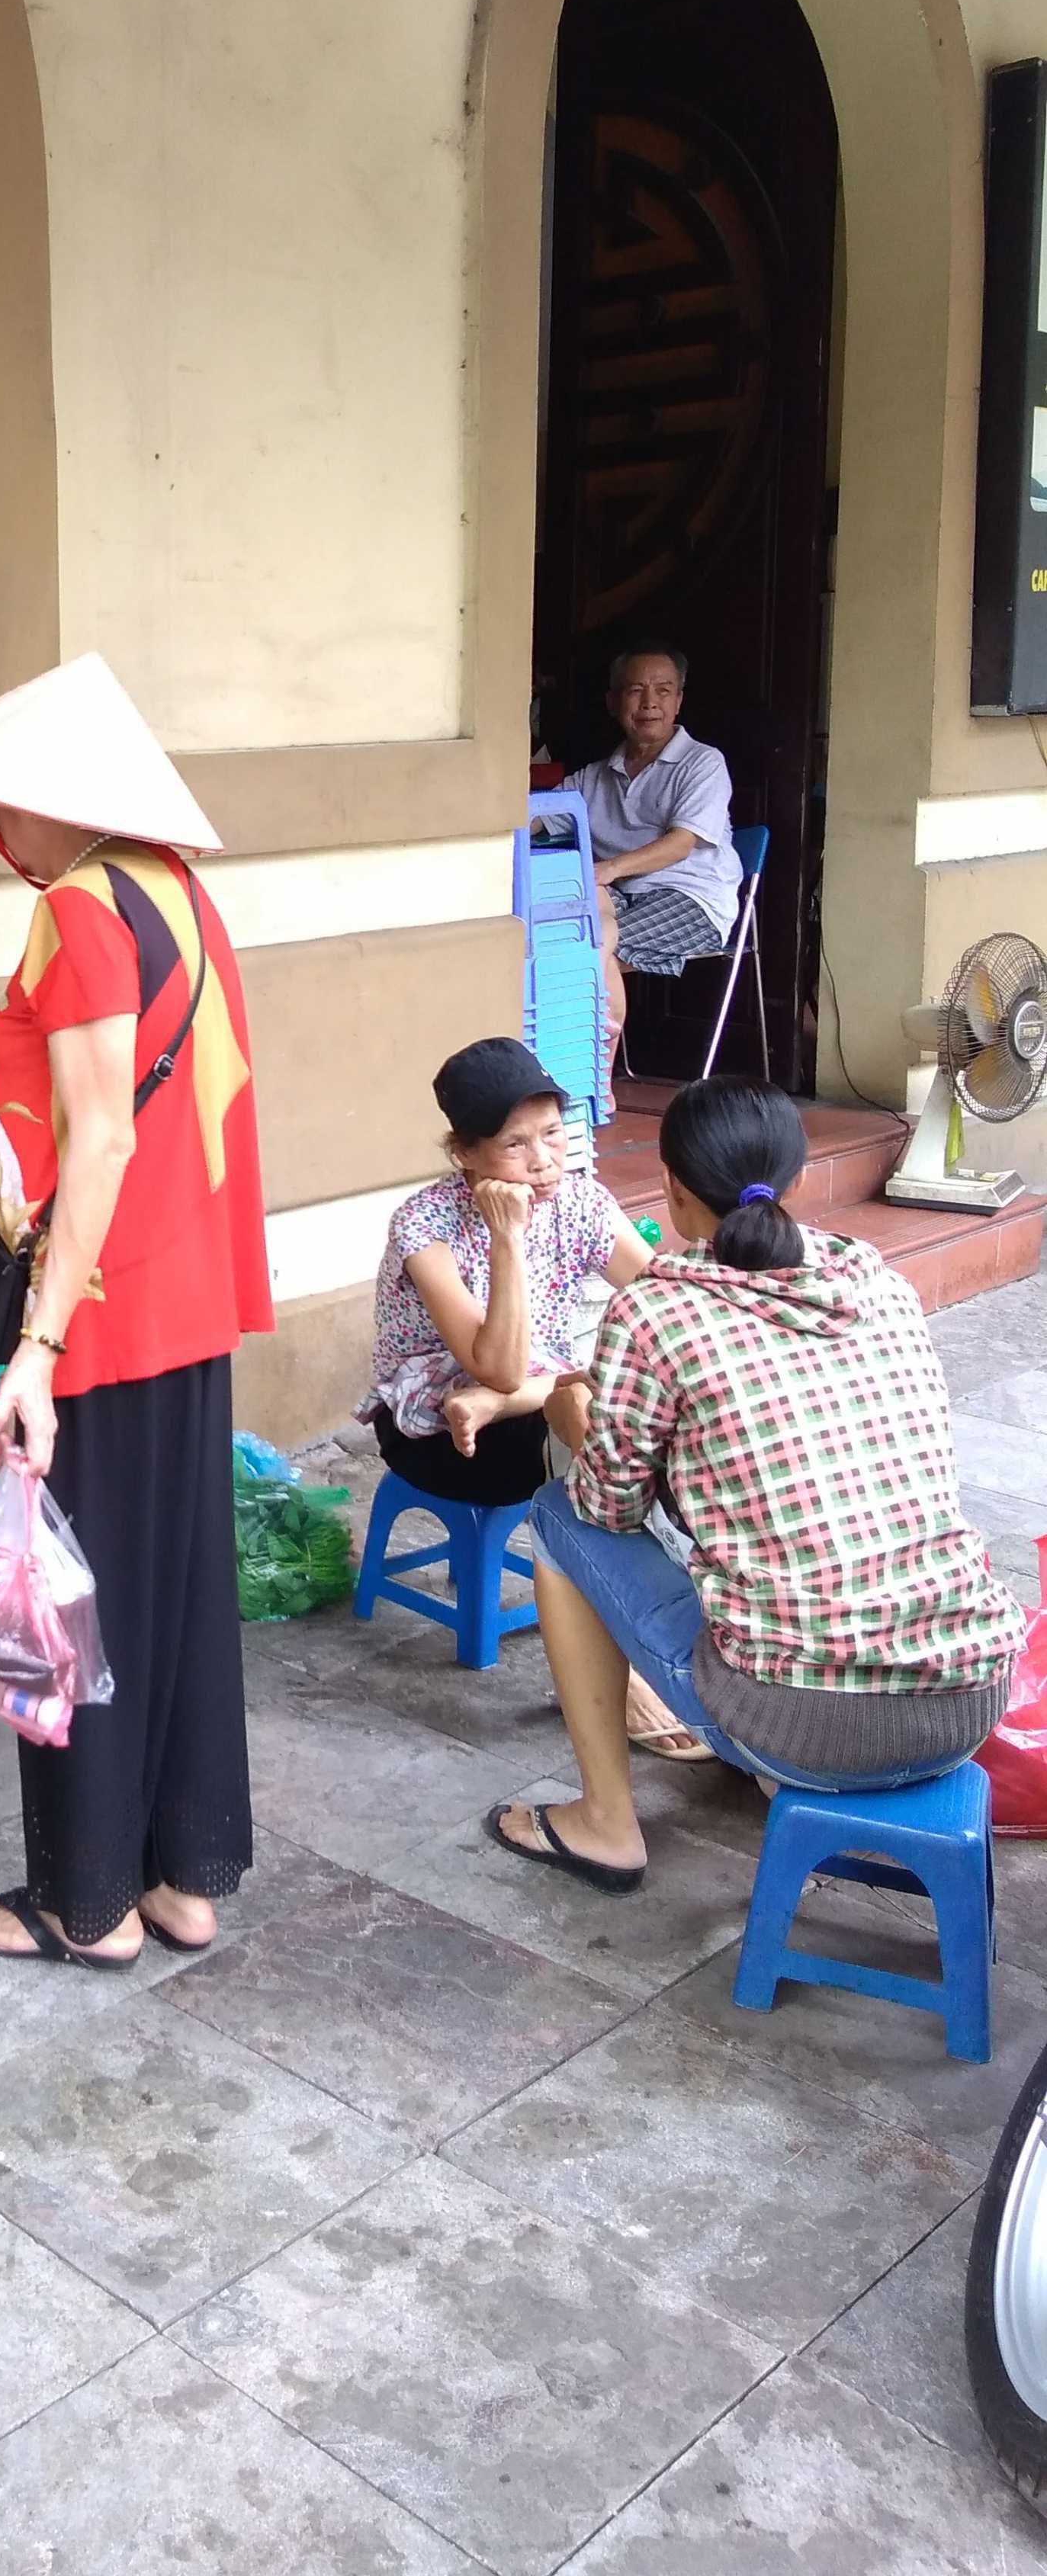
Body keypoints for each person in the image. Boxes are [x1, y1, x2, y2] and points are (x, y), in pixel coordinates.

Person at [0, 653, 273, 1968]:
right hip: (187, 1299)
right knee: (172, 1588)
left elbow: (96, 1138)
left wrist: (38, 1348)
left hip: (99, 1311)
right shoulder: (179, 894)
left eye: (1, 801)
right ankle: (184, 1878)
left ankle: (85, 1903)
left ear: (51, 800)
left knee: (76, 1605)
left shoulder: (78, 911)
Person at [487, 1076, 1025, 1892]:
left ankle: (605, 1822)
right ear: (800, 1182)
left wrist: (576, 1420)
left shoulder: (659, 1309)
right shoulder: (873, 1278)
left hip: (806, 1725)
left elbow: (609, 1505)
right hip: (968, 1700)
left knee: (560, 1514)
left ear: (668, 1189)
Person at [366, 1037, 698, 1757]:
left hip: (521, 1405)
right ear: (467, 1156)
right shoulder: (426, 1226)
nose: (544, 1158)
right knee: (568, 1415)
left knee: (618, 1415)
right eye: (515, 1145)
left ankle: (686, 1606)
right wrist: (506, 1240)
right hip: (436, 1433)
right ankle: (619, 1663)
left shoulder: (580, 1198)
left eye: (552, 1133)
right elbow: (499, 1366)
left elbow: (666, 1309)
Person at [560, 648, 742, 1054]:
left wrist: (607, 869)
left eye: (663, 690)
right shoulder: (595, 776)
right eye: (636, 690)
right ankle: (581, 1075)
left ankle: (589, 1076)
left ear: (678, 701)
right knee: (563, 939)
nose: (649, 703)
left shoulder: (703, 763)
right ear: (613, 702)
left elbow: (681, 844)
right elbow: (539, 815)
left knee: (587, 949)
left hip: (691, 899)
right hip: (623, 897)